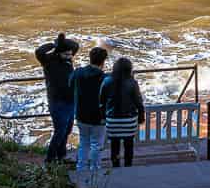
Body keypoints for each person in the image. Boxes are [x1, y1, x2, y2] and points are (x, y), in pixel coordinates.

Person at [34, 34, 78, 164]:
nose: (70, 56)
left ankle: (61, 156)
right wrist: (54, 45)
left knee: (68, 129)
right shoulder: (48, 61)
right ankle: (49, 160)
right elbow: (39, 51)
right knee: (60, 131)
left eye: (70, 54)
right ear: (58, 53)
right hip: (57, 102)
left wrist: (62, 42)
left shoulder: (68, 58)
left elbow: (76, 46)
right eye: (67, 54)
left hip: (70, 100)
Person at [68, 46, 110, 175]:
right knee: (96, 144)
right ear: (103, 61)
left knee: (84, 142)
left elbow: (70, 85)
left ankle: (81, 168)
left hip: (81, 114)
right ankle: (95, 169)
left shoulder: (78, 73)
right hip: (99, 117)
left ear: (90, 58)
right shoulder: (105, 78)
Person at [100, 56, 145, 168]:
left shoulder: (107, 81)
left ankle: (115, 166)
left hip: (112, 121)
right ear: (129, 69)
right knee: (128, 145)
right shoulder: (132, 83)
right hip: (129, 122)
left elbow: (101, 101)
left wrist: (103, 117)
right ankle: (128, 166)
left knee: (114, 146)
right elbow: (139, 102)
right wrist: (141, 117)